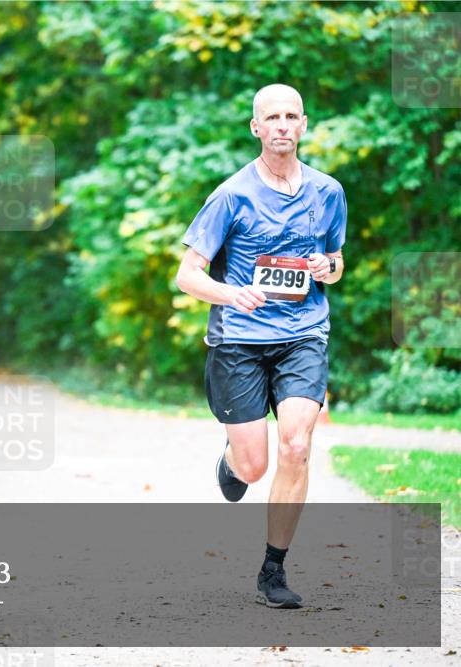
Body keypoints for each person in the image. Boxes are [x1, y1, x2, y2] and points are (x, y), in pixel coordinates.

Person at [174, 84, 346, 609]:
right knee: (255, 466)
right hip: (240, 341)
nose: (281, 125)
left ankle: (273, 570)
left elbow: (337, 264)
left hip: (303, 334)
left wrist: (327, 268)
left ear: (304, 124)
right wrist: (232, 292)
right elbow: (187, 275)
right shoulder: (231, 195)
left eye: (291, 116)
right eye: (271, 117)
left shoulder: (329, 192)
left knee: (296, 444)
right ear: (256, 127)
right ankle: (233, 462)